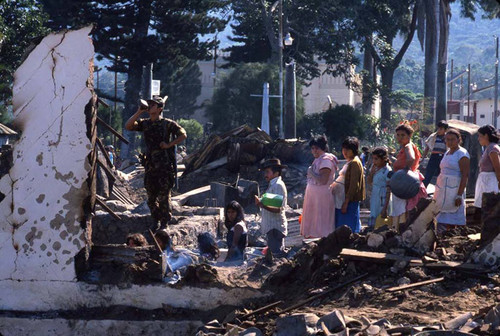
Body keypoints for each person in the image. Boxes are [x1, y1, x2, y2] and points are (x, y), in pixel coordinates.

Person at [125, 95, 187, 230]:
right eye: (149, 104)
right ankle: (155, 220)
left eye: (152, 105)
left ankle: (164, 222)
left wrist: (169, 144)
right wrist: (139, 111)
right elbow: (128, 126)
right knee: (151, 197)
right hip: (150, 166)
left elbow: (183, 134)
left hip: (164, 166)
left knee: (164, 197)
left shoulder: (167, 123)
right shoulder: (145, 123)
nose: (149, 106)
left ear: (159, 109)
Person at [390, 122, 427, 231]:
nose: (400, 138)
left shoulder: (408, 146)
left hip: (405, 183)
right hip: (407, 181)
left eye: (403, 135)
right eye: (398, 135)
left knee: (402, 211)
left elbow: (410, 159)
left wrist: (405, 172)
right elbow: (401, 162)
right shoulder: (404, 148)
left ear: (409, 136)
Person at [433, 129, 470, 234]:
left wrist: (459, 195)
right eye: (447, 139)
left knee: (454, 214)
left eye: (452, 139)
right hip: (442, 188)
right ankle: (442, 236)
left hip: (455, 189)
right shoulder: (447, 153)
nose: (449, 142)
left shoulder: (462, 154)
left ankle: (453, 237)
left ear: (459, 140)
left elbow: (465, 175)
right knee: (441, 214)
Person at [301, 135, 338, 238]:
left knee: (321, 222)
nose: (314, 151)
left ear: (322, 147)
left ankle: (323, 244)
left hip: (322, 198)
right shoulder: (319, 159)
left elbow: (323, 180)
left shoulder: (326, 160)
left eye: (316, 148)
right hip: (315, 197)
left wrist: (311, 172)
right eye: (312, 148)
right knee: (314, 221)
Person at [255, 158, 288, 256]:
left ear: (276, 172)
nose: (265, 175)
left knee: (276, 255)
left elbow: (277, 209)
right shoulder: (273, 185)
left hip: (275, 228)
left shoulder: (277, 185)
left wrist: (261, 204)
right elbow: (272, 204)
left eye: (268, 172)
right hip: (272, 227)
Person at [332, 137, 365, 233]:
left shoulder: (354, 163)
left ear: (353, 150)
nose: (345, 152)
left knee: (348, 227)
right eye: (343, 149)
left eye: (348, 149)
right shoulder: (350, 161)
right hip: (343, 199)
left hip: (349, 201)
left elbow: (354, 185)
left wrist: (346, 202)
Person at [474, 124, 500, 208]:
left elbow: (497, 167)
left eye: (480, 136)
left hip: (490, 182)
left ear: (486, 135)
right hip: (485, 181)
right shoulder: (488, 148)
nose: (478, 139)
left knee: (489, 207)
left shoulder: (492, 148)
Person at [367, 147, 392, 228]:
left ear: (383, 159)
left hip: (382, 198)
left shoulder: (387, 170)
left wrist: (385, 208)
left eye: (376, 159)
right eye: (373, 159)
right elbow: (369, 181)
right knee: (373, 217)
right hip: (375, 196)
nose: (374, 161)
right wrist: (371, 173)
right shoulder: (374, 168)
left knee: (381, 221)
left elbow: (389, 190)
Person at [422, 120, 449, 187]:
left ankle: (441, 190)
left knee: (441, 174)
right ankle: (423, 190)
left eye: (441, 129)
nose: (439, 130)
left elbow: (449, 149)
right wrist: (423, 157)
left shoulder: (447, 138)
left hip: (443, 158)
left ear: (445, 130)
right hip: (434, 157)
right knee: (428, 174)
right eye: (438, 128)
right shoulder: (433, 137)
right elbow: (428, 147)